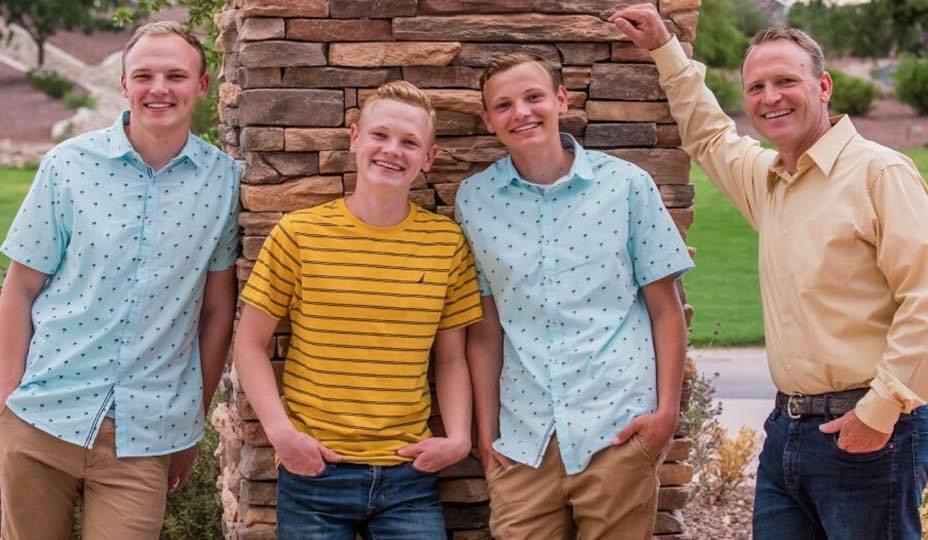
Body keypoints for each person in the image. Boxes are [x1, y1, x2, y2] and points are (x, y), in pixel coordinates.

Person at [611, 4, 928, 539]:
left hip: (869, 434)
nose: (770, 97)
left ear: (824, 86)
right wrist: (663, 47)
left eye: (785, 81)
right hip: (787, 433)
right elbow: (710, 137)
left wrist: (878, 414)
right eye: (756, 87)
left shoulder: (880, 174)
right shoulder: (770, 180)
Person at [0, 21, 240, 540]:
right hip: (39, 417)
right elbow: (20, 288)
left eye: (176, 75)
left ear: (202, 85)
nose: (159, 89)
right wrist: (5, 398)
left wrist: (190, 425)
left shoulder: (224, 183)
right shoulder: (67, 165)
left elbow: (218, 312)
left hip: (145, 436)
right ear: (124, 83)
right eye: (144, 75)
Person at [455, 52, 694, 539]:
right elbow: (485, 328)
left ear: (561, 100)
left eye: (534, 97)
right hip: (523, 439)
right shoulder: (474, 200)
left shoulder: (626, 185)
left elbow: (666, 309)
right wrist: (486, 432)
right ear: (488, 119)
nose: (521, 112)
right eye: (504, 105)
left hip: (617, 428)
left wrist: (666, 415)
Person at [233, 80, 483, 540]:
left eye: (409, 142)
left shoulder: (446, 244)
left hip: (409, 476)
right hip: (315, 473)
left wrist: (458, 438)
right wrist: (282, 435)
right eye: (379, 135)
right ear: (354, 138)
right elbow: (249, 345)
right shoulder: (299, 234)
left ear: (428, 158)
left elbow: (451, 358)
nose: (392, 150)